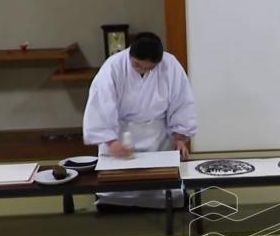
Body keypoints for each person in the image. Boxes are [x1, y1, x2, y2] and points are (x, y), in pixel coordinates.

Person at [83, 32, 197, 209]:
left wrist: (180, 138)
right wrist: (111, 141)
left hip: (157, 135)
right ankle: (113, 203)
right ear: (130, 53)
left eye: (149, 68)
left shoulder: (170, 65)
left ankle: (166, 203)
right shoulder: (113, 66)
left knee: (161, 185)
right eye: (137, 65)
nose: (142, 70)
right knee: (117, 187)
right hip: (120, 133)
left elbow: (182, 102)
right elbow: (101, 104)